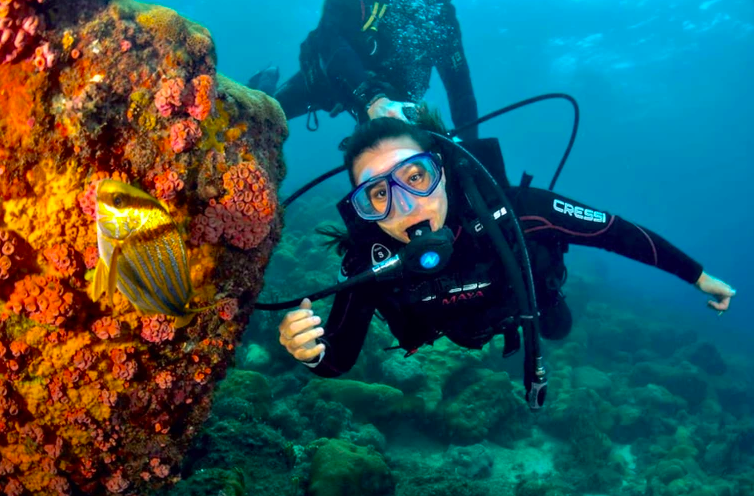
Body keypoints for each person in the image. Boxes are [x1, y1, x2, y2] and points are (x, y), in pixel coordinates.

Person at [276, 111, 737, 377]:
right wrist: (310, 351)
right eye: (379, 193)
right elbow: (337, 356)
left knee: (559, 329)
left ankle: (549, 293)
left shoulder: (514, 210)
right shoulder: (370, 257)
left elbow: (615, 231)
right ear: (364, 207)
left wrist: (699, 277)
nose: (406, 205)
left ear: (443, 171)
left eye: (416, 177)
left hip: (527, 304)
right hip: (451, 330)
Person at [248, 0, 479, 141]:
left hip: (392, 99)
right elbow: (328, 37)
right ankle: (265, 83)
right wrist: (373, 100)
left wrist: (472, 146)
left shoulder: (440, 15)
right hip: (334, 78)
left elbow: (461, 90)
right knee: (263, 116)